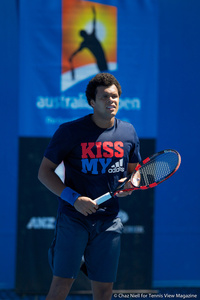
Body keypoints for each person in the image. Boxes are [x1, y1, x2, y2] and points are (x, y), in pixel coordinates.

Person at [38, 73, 141, 300]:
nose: (111, 101)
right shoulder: (69, 131)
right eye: (104, 97)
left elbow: (134, 173)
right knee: (61, 284)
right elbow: (44, 172)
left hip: (109, 222)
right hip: (74, 218)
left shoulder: (129, 132)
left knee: (104, 291)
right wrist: (74, 199)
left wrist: (130, 185)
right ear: (92, 102)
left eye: (114, 96)